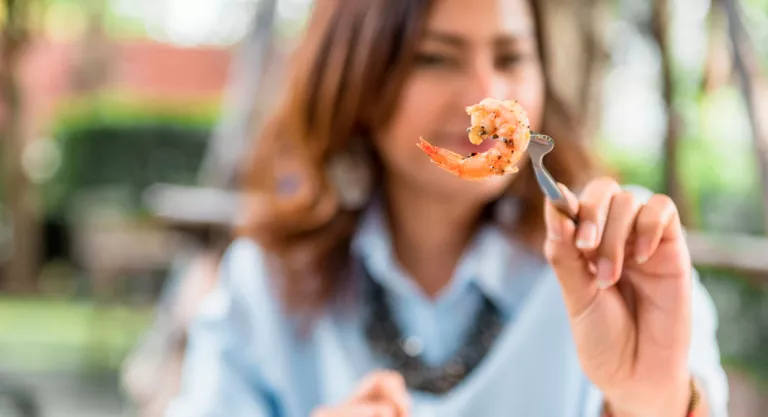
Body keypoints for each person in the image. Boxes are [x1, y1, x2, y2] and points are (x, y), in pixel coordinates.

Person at [165, 0, 730, 416]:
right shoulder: (264, 284)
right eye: (435, 58)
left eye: (511, 56)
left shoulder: (623, 266)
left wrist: (653, 402)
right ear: (357, 80)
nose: (485, 90)